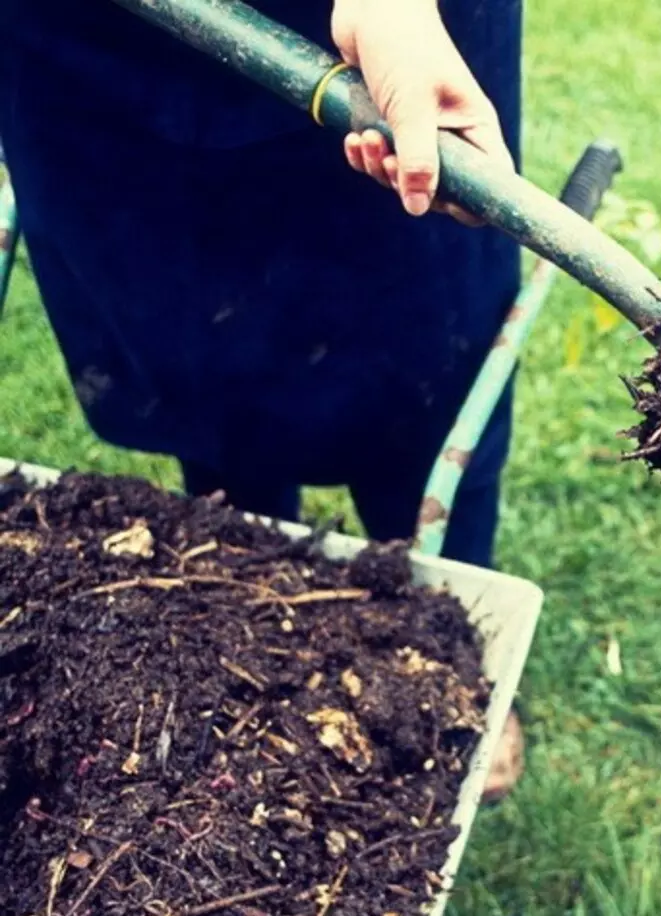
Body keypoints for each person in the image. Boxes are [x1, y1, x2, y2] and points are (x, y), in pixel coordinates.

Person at [0, 0, 526, 796]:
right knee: (184, 346)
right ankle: (238, 625)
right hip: (96, 46)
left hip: (372, 41)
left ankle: (446, 652)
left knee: (422, 359)